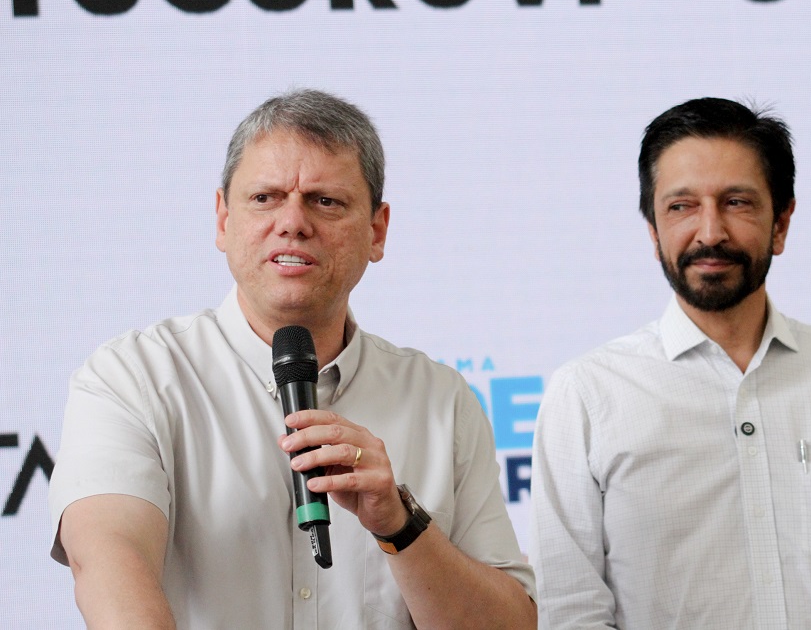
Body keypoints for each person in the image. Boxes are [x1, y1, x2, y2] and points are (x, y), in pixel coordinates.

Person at [49, 89, 536, 629]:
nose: (293, 222)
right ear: (222, 219)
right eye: (265, 198)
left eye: (326, 201)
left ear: (377, 230)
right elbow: (111, 568)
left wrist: (400, 525)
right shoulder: (132, 378)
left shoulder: (441, 399)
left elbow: (510, 624)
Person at [529, 98, 811, 629]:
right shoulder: (587, 394)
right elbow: (571, 611)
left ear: (781, 222)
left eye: (737, 202)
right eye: (681, 206)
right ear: (652, 231)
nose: (710, 233)